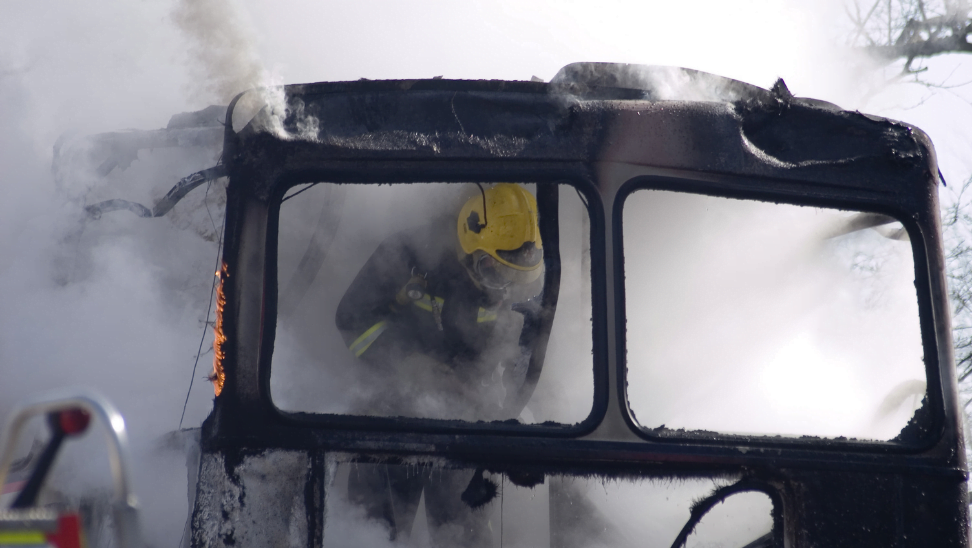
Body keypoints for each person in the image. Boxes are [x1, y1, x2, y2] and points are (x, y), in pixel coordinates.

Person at [334, 183, 545, 546]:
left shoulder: (522, 275)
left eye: (517, 279)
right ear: (468, 241)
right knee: (369, 532)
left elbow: (526, 363)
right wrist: (407, 364)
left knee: (465, 538)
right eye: (495, 273)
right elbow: (352, 317)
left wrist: (507, 417)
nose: (503, 288)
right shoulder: (406, 256)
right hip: (390, 421)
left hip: (468, 427)